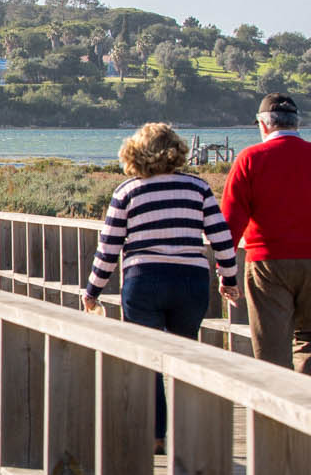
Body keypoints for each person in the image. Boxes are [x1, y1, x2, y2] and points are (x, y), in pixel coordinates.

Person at [80, 122, 240, 452]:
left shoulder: (127, 192)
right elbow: (222, 238)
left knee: (147, 359)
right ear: (176, 150)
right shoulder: (198, 188)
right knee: (186, 354)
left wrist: (92, 290)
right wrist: (229, 278)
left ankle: (155, 435)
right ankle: (190, 434)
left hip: (144, 279)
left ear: (135, 152)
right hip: (190, 281)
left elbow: (109, 247)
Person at [221, 93, 311, 379]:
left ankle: (275, 416)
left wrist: (226, 270)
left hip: (268, 264)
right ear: (297, 123)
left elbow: (231, 220)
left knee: (272, 349)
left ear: (263, 125)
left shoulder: (250, 159)